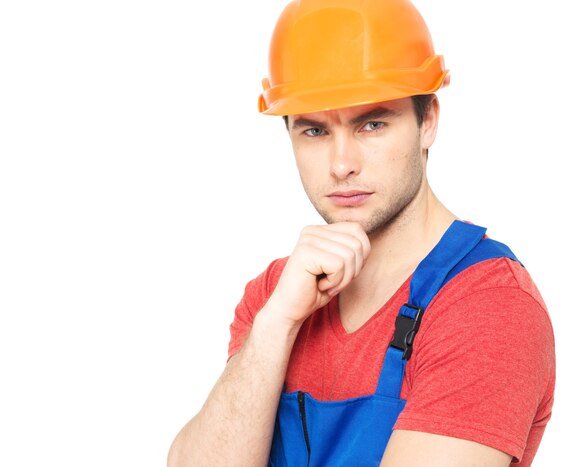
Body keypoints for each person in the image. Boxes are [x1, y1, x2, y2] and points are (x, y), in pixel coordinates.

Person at [168, 0, 555, 465]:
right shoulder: (277, 292)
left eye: (371, 124)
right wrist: (276, 325)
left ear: (427, 120)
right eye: (313, 131)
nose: (341, 164)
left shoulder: (488, 304)